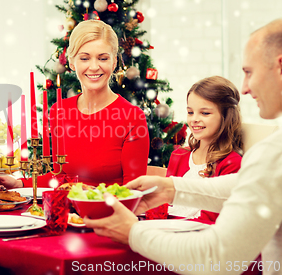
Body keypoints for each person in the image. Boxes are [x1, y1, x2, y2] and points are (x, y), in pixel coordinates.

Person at [84, 18, 282, 275]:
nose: (244, 89)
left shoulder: (272, 154)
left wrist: (132, 232)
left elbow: (216, 258)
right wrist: (172, 188)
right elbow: (251, 185)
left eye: (248, 72)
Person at [0, 20, 149, 189]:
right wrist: (19, 183)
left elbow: (135, 192)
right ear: (71, 62)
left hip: (110, 213)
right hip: (65, 213)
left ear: (114, 62)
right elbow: (61, 177)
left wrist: (92, 195)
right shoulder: (58, 111)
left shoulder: (132, 117)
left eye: (103, 58)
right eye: (84, 58)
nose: (94, 66)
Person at [166, 76, 242, 223]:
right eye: (190, 112)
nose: (194, 119)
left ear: (226, 116)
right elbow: (163, 204)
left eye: (205, 113)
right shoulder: (179, 155)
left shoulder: (232, 163)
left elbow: (212, 220)